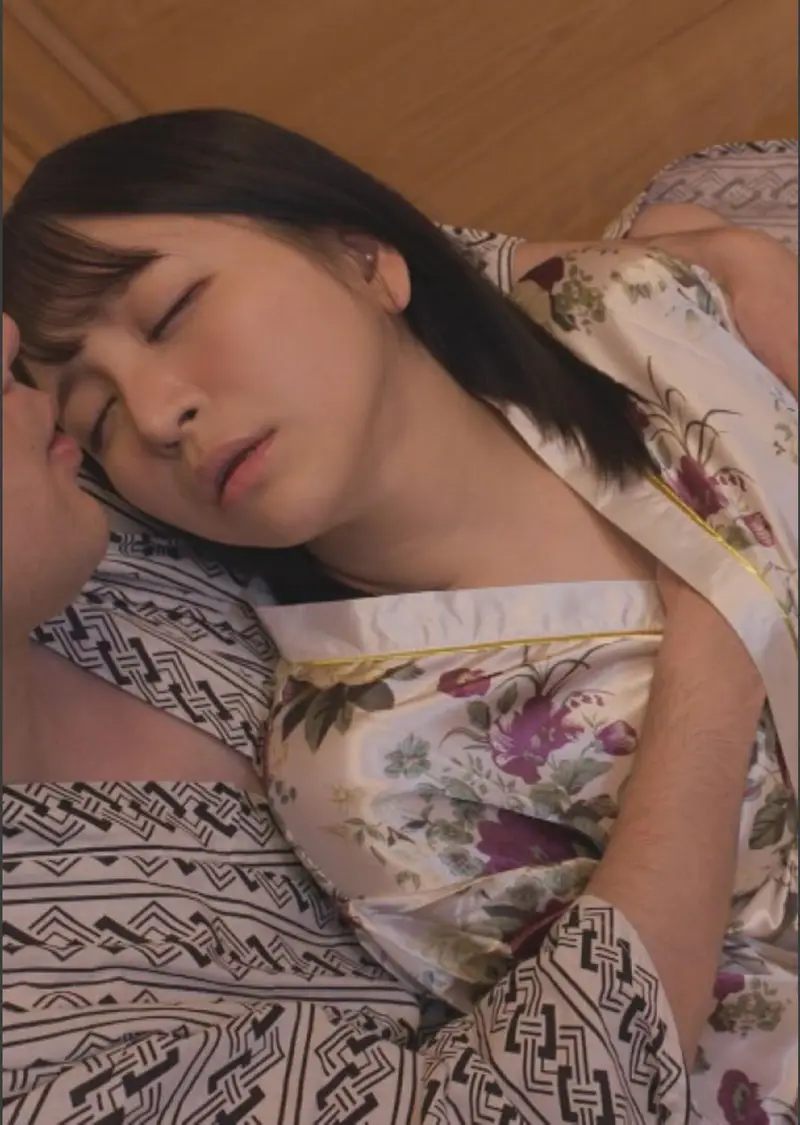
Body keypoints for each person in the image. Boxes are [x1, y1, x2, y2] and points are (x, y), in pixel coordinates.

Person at [3, 109, 797, 1119]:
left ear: (363, 258)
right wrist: (716, 647)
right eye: (99, 418)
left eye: (170, 314)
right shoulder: (371, 770)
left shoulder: (630, 309)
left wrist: (695, 261)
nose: (157, 416)